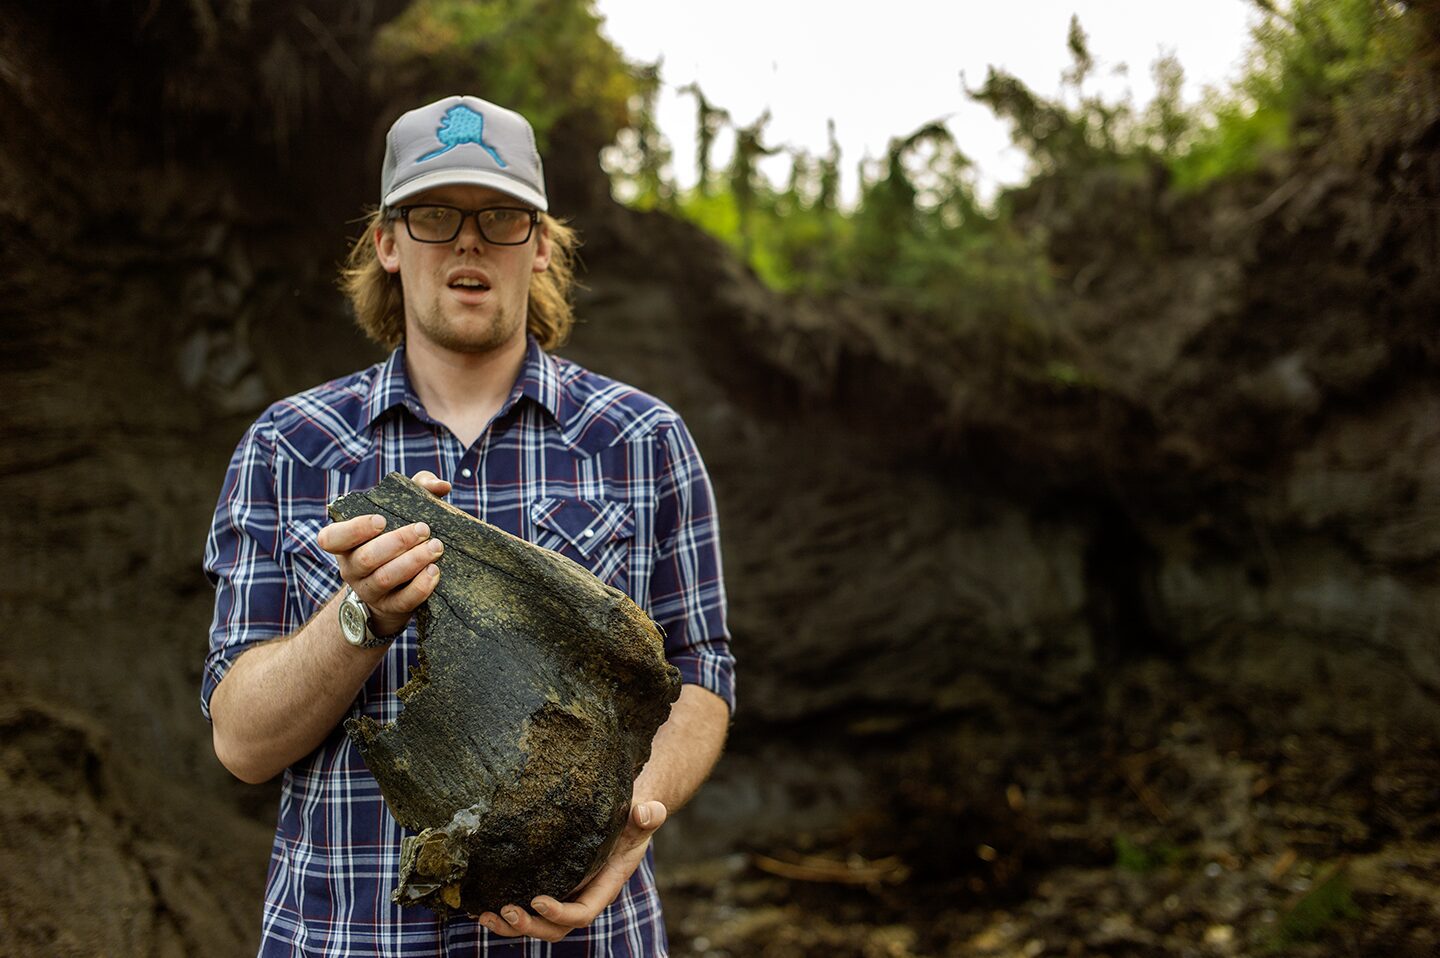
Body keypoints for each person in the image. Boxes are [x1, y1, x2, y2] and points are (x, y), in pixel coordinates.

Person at [201, 94, 735, 956]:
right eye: (435, 215)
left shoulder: (642, 440)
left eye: (501, 217)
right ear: (388, 242)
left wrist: (637, 819)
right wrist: (361, 615)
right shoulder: (289, 447)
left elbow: (701, 672)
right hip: (346, 937)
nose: (468, 241)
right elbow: (242, 743)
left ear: (542, 243)